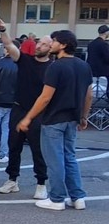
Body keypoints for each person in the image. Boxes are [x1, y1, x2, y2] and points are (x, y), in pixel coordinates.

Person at [17, 30, 93, 210]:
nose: (51, 44)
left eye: (55, 41)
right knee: (70, 157)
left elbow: (45, 98)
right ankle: (77, 197)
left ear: (64, 45)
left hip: (54, 119)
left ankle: (57, 198)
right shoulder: (84, 66)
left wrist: (27, 118)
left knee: (55, 160)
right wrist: (84, 116)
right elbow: (89, 94)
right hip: (73, 119)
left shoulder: (55, 67)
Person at [0, 18, 53, 199]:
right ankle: (12, 180)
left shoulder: (53, 67)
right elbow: (10, 45)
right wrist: (3, 30)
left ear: (51, 48)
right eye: (38, 42)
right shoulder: (24, 60)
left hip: (39, 112)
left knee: (38, 149)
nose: (39, 46)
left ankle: (41, 183)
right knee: (14, 146)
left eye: (43, 44)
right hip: (19, 108)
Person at [86, 25, 109, 101]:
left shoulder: (91, 44)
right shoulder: (104, 44)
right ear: (106, 32)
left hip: (90, 69)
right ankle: (108, 96)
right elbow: (107, 58)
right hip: (101, 70)